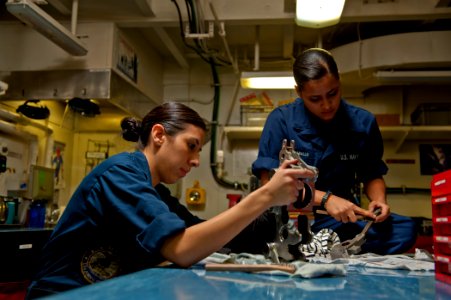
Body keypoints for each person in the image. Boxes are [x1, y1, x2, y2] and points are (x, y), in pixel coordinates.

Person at [26, 102, 314, 298]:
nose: (196, 160)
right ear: (159, 135)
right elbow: (183, 249)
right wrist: (264, 196)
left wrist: (276, 208)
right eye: (191, 146)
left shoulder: (156, 192)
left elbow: (205, 235)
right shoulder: (120, 175)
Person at [252, 48, 416, 255]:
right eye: (315, 99)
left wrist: (379, 202)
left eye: (332, 93)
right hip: (290, 217)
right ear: (299, 92)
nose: (327, 105)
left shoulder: (363, 123)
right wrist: (326, 199)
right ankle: (322, 247)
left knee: (404, 229)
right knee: (257, 231)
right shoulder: (280, 121)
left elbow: (372, 173)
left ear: (339, 82)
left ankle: (318, 248)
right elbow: (269, 184)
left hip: (340, 219)